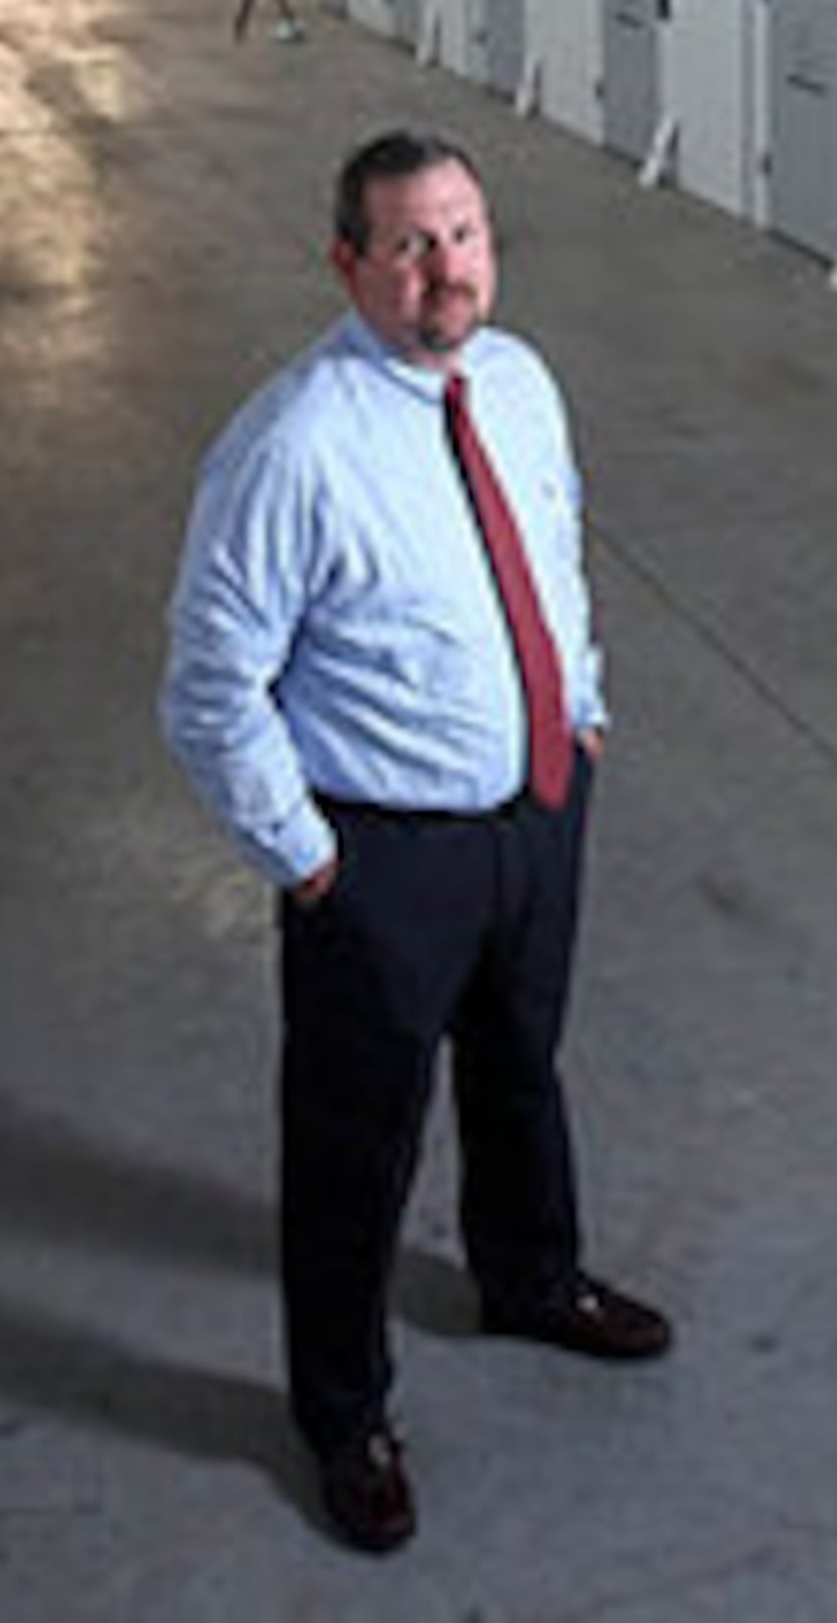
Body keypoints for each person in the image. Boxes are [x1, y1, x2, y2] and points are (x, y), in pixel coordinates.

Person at [160, 127, 671, 1556]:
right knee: (353, 1141)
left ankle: (530, 1276)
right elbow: (209, 687)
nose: (445, 268)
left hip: (537, 813)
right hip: (384, 852)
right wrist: (313, 860)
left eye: (464, 234)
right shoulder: (295, 441)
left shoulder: (518, 382)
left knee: (521, 1066)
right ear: (349, 263)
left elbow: (553, 554)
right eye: (409, 243)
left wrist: (583, 712)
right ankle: (341, 1409)